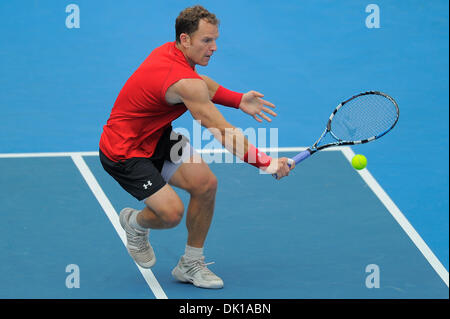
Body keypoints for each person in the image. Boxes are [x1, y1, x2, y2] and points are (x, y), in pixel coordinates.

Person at [99, 5, 293, 289]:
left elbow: (202, 84)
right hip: (124, 152)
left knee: (205, 184)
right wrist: (266, 163)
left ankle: (190, 263)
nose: (214, 47)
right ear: (185, 39)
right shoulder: (182, 80)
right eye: (207, 40)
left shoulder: (172, 54)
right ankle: (135, 223)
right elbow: (223, 131)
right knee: (170, 214)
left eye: (215, 40)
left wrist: (237, 99)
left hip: (158, 138)